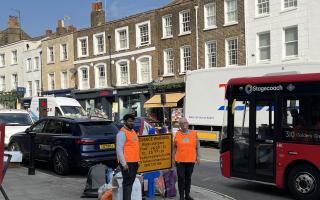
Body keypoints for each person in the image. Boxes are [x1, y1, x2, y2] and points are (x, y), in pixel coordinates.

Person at [173, 118, 200, 200]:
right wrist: (172, 158)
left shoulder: (194, 133)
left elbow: (197, 145)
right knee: (181, 178)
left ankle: (187, 195)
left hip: (191, 160)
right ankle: (181, 197)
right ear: (180, 125)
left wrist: (198, 157)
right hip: (179, 160)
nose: (183, 124)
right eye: (181, 123)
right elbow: (174, 147)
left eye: (185, 122)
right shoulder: (177, 134)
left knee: (188, 178)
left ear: (188, 123)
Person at [116, 114, 140, 200]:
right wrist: (123, 163)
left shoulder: (133, 131)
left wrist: (138, 160)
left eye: (132, 121)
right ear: (125, 122)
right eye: (129, 121)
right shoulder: (122, 133)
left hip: (134, 162)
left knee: (130, 183)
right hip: (127, 163)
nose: (131, 123)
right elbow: (119, 149)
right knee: (127, 184)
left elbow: (135, 146)